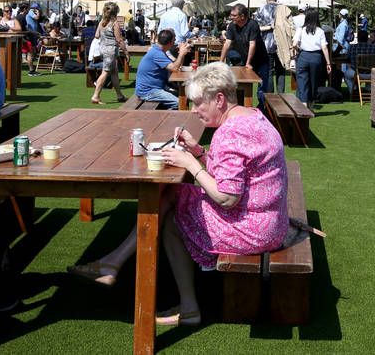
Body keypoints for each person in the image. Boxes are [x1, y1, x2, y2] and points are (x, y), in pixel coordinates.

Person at [69, 63, 288, 328]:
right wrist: (197, 151)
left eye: (198, 103)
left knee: (172, 206)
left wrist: (190, 164)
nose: (194, 111)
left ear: (219, 99)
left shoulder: (230, 132)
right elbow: (235, 173)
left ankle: (122, 269)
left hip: (253, 229)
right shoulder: (253, 116)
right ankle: (120, 268)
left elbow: (227, 197)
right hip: (270, 221)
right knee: (173, 197)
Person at [219, 3, 270, 108]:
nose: (231, 17)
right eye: (231, 15)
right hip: (245, 59)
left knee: (262, 88)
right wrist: (220, 62)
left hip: (261, 60)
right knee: (240, 84)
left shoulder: (253, 25)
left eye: (234, 15)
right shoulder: (232, 26)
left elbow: (252, 44)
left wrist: (248, 63)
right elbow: (227, 43)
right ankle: (240, 108)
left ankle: (262, 110)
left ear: (242, 16)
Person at [133, 28, 190, 109]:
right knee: (179, 103)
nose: (175, 42)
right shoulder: (157, 53)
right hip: (148, 92)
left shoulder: (158, 51)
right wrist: (181, 53)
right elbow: (175, 68)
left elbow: (176, 65)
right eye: (174, 40)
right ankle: (165, 119)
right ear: (170, 42)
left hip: (155, 88)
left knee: (183, 99)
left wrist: (182, 54)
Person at [90, 2, 128, 105]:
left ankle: (120, 95)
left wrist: (106, 36)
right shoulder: (114, 23)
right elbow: (119, 40)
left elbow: (97, 35)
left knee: (114, 72)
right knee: (105, 72)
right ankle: (95, 96)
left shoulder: (102, 21)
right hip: (111, 51)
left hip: (103, 49)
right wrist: (126, 53)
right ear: (115, 12)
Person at [291, 7, 331, 104]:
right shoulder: (320, 31)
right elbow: (324, 48)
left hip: (303, 56)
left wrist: (298, 50)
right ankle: (311, 104)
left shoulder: (301, 29)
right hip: (316, 57)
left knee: (302, 81)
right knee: (314, 82)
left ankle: (304, 102)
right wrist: (328, 63)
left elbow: (294, 44)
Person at [253, 0, 285, 93]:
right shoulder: (283, 10)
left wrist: (268, 27)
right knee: (281, 71)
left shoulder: (261, 10)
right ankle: (281, 97)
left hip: (266, 45)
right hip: (281, 44)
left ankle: (270, 98)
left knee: (269, 72)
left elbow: (256, 28)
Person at [343, 29, 375, 97]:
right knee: (370, 69)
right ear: (367, 38)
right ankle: (368, 90)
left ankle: (353, 90)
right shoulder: (374, 47)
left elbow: (347, 58)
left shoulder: (353, 47)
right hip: (370, 74)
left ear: (358, 39)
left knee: (346, 75)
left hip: (356, 73)